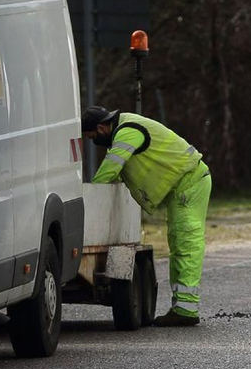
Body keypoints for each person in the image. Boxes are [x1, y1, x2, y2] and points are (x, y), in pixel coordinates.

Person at [83, 106, 210, 327]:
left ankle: (186, 310)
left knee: (186, 244)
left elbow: (111, 168)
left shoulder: (128, 132)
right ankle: (182, 307)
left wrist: (90, 195)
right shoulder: (126, 127)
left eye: (92, 136)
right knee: (179, 245)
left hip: (189, 184)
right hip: (185, 185)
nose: (93, 141)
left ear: (101, 128)